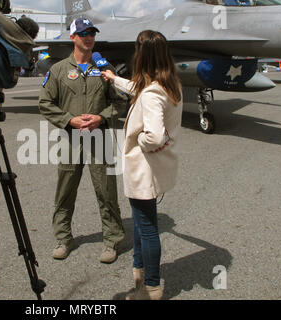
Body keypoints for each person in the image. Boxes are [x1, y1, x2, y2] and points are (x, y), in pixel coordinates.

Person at [101, 30, 183, 300]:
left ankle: (151, 287)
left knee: (147, 228)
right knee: (139, 223)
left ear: (142, 55)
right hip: (156, 167)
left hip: (144, 168)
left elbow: (155, 134)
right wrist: (114, 79)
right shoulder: (169, 85)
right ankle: (139, 273)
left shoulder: (151, 94)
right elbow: (140, 89)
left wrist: (139, 140)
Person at [39, 18, 128, 263]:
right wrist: (70, 120)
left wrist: (101, 117)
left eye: (91, 33)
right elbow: (45, 103)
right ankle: (63, 238)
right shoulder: (58, 70)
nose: (88, 37)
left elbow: (121, 101)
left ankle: (112, 240)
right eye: (83, 33)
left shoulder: (104, 68)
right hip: (70, 140)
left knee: (106, 192)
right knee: (65, 191)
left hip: (99, 139)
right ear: (73, 38)